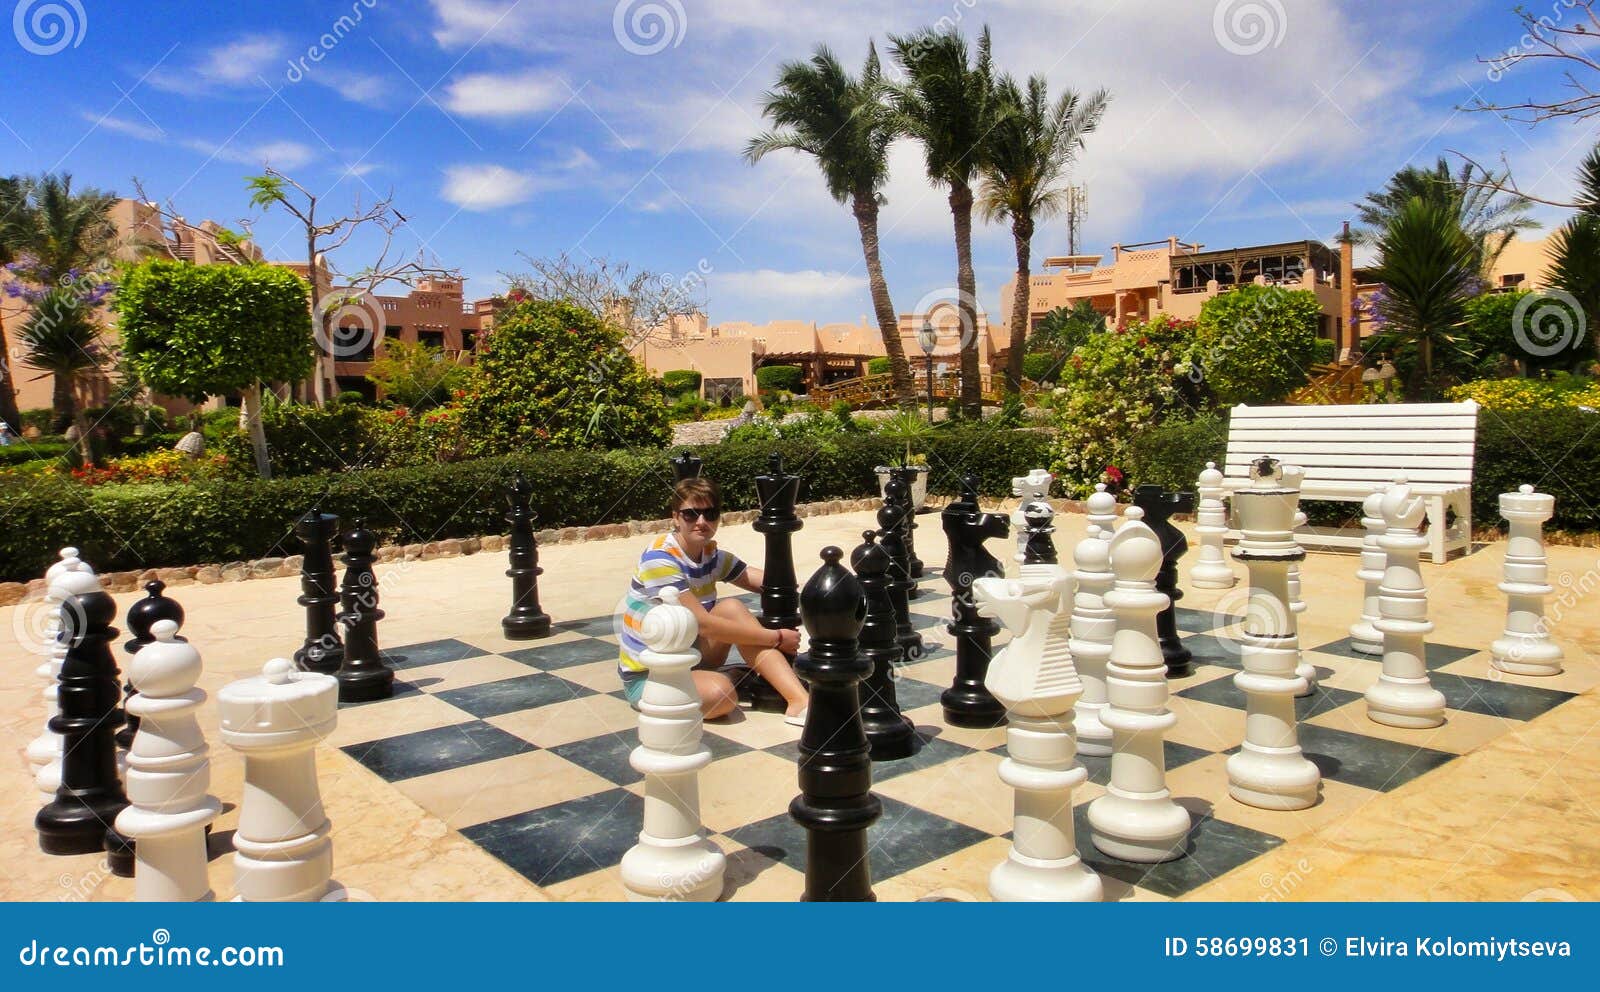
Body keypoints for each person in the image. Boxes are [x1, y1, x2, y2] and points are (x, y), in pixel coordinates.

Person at [618, 477, 809, 724]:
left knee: (731, 608)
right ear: (675, 517)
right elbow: (703, 624)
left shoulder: (710, 554)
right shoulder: (659, 558)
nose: (701, 522)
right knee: (722, 696)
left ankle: (800, 702)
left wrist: (824, 592)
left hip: (690, 655)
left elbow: (770, 583)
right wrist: (777, 638)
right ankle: (727, 678)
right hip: (652, 674)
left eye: (710, 513)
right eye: (691, 514)